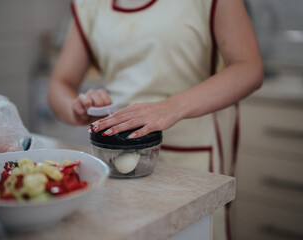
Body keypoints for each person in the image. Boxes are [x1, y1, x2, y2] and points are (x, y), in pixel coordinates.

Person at [48, 0, 263, 239]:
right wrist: (75, 107)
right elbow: (60, 84)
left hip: (192, 161)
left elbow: (249, 68)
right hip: (116, 159)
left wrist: (172, 106)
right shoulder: (89, 5)